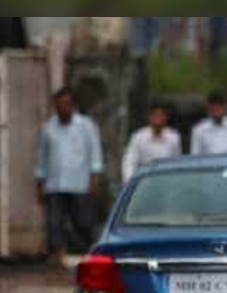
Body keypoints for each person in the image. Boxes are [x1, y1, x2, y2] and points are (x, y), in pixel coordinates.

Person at [35, 87, 104, 267]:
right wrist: (40, 181)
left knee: (83, 222)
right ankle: (56, 256)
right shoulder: (48, 128)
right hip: (54, 184)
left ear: (72, 105)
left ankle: (89, 255)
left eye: (66, 104)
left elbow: (95, 153)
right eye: (59, 105)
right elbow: (43, 157)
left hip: (79, 183)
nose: (62, 108)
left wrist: (94, 178)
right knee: (54, 223)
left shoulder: (86, 126)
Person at [121, 102, 182, 183]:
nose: (158, 119)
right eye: (155, 116)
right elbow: (130, 161)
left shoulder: (174, 138)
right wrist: (130, 181)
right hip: (145, 181)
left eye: (161, 116)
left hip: (167, 181)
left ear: (166, 118)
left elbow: (177, 163)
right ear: (149, 117)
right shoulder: (138, 137)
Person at [189, 91, 227, 156]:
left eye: (220, 106)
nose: (216, 109)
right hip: (208, 164)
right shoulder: (199, 129)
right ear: (208, 108)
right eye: (213, 107)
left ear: (226, 107)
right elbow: (195, 156)